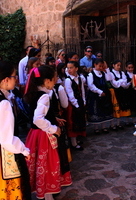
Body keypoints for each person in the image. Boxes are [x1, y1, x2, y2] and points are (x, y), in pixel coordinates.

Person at [24, 65, 72, 199]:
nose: (56, 80)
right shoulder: (44, 96)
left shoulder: (34, 94)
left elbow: (38, 113)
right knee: (47, 165)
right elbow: (38, 119)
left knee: (40, 165)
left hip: (35, 134)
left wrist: (53, 118)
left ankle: (43, 193)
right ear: (46, 81)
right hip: (44, 136)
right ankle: (47, 195)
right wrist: (54, 128)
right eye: (54, 78)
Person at [0, 61, 31, 200]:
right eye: (14, 76)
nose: (16, 79)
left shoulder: (6, 98)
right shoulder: (4, 103)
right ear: (6, 80)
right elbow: (7, 139)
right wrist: (24, 150)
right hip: (5, 154)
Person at [87, 58, 113, 133]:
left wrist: (107, 69)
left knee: (104, 110)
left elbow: (109, 78)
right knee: (96, 111)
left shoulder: (103, 73)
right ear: (95, 65)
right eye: (99, 66)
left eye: (102, 66)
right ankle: (96, 128)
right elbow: (91, 85)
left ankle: (104, 127)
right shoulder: (91, 74)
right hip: (95, 95)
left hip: (104, 95)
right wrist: (99, 91)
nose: (101, 68)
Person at [64, 61, 86, 151]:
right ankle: (74, 143)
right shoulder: (68, 80)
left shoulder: (80, 78)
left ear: (76, 68)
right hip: (73, 105)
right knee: (73, 123)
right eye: (68, 68)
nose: (69, 70)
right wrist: (76, 105)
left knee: (79, 121)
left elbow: (82, 91)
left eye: (71, 68)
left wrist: (83, 101)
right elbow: (70, 94)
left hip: (80, 101)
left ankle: (77, 139)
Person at [109, 60, 131, 130]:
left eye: (120, 65)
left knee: (120, 108)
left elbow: (125, 84)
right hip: (115, 92)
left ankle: (118, 123)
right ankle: (112, 124)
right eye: (117, 65)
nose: (119, 67)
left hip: (122, 92)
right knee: (114, 108)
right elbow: (115, 84)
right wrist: (121, 81)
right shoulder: (111, 73)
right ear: (113, 65)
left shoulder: (122, 73)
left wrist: (119, 82)